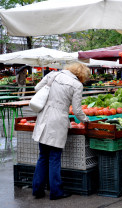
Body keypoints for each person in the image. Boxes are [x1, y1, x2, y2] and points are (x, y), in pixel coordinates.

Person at [32, 62, 90, 200]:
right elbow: (76, 110)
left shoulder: (53, 75)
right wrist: (86, 120)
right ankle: (56, 192)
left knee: (43, 156)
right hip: (58, 121)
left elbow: (37, 88)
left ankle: (37, 190)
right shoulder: (77, 85)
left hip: (44, 117)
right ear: (81, 75)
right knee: (54, 158)